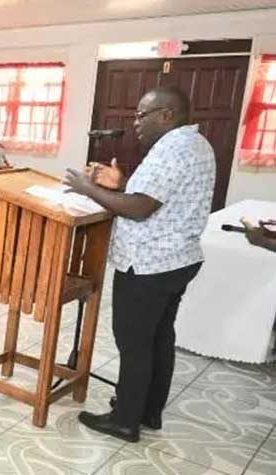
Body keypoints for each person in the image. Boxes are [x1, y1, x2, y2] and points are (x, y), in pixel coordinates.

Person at [63, 87, 214, 443]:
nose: (135, 124)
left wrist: (89, 189)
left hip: (149, 263)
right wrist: (120, 184)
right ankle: (148, 411)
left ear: (167, 114)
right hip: (176, 259)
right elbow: (154, 195)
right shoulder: (195, 144)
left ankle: (125, 420)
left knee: (134, 342)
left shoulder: (172, 148)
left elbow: (140, 208)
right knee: (159, 337)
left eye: (141, 116)